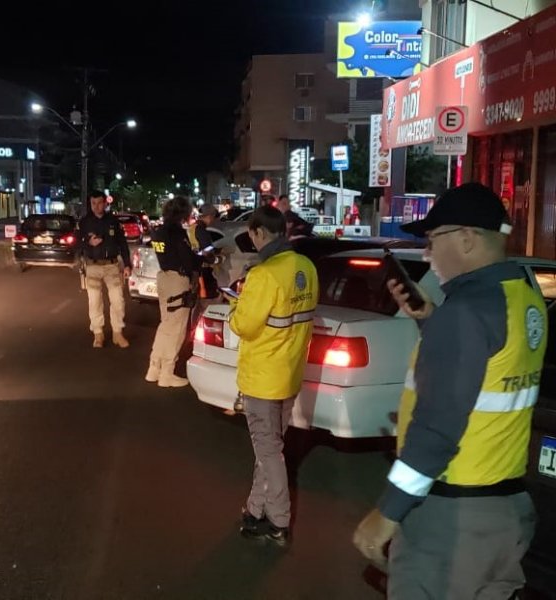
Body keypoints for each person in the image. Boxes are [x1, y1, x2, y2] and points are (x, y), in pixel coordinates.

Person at [353, 183, 545, 599]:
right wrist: (431, 319)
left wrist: (388, 512)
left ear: (467, 239)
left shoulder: (466, 313)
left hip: (450, 520)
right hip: (504, 512)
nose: (426, 253)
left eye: (431, 240)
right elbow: (487, 372)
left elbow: (437, 426)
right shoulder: (524, 299)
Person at [229, 206, 319, 546]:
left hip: (263, 379)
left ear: (258, 233)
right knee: (268, 449)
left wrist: (236, 307)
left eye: (252, 235)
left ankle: (278, 521)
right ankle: (255, 511)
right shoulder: (307, 267)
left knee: (269, 452)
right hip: (290, 374)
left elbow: (245, 325)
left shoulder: (263, 275)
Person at [145, 196, 200, 387]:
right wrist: (198, 265)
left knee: (166, 325)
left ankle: (154, 368)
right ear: (183, 212)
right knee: (176, 329)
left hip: (164, 278)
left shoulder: (158, 231)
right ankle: (167, 373)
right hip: (177, 280)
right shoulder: (177, 232)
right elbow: (187, 259)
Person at [77, 190, 132, 349]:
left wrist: (127, 264)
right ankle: (98, 334)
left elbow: (122, 243)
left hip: (112, 266)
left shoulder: (113, 221)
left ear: (105, 203)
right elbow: (77, 244)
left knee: (118, 301)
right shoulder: (85, 222)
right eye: (93, 203)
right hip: (92, 265)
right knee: (94, 302)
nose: (96, 206)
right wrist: (88, 243)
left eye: (99, 203)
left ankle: (117, 333)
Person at [188, 203, 221, 319]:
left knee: (196, 302)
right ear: (209, 216)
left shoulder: (192, 228)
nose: (213, 220)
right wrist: (217, 260)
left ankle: (193, 325)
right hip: (204, 269)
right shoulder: (202, 231)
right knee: (206, 301)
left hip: (195, 268)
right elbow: (207, 252)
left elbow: (196, 248)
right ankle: (202, 325)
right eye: (213, 217)